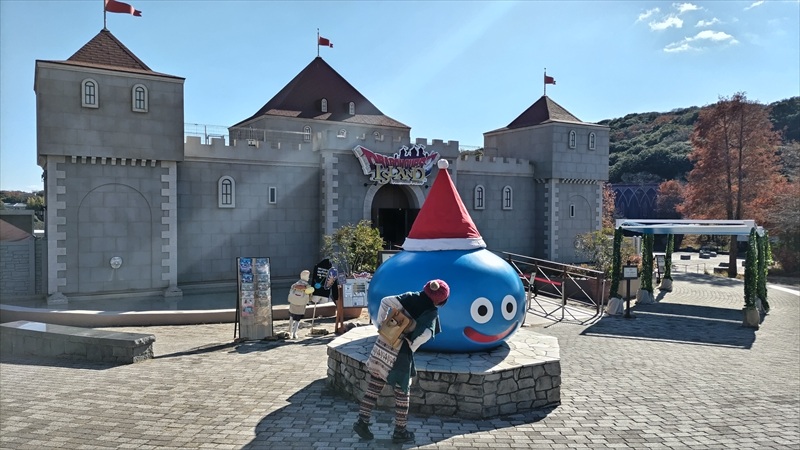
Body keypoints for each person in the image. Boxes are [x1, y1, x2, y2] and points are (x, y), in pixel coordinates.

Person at [353, 279, 449, 444]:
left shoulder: (410, 297)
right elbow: (426, 334)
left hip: (383, 344)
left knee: (374, 386)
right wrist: (412, 344)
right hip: (400, 353)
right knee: (402, 392)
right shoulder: (431, 312)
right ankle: (400, 431)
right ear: (440, 300)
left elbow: (385, 301)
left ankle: (362, 421)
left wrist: (382, 325)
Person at [287, 270, 314, 339]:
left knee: (291, 316)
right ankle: (294, 333)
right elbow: (310, 295)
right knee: (297, 319)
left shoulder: (295, 284)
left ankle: (289, 332)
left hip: (293, 302)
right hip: (302, 304)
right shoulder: (307, 286)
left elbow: (291, 290)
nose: (308, 278)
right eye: (308, 276)